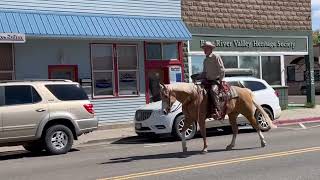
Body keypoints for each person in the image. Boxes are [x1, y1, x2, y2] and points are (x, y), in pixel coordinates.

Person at [198, 41, 225, 119]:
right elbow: (204, 73)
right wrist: (197, 77)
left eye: (206, 48)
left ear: (210, 49)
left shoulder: (216, 57)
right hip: (207, 81)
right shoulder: (205, 60)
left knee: (213, 91)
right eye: (204, 49)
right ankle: (205, 110)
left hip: (215, 81)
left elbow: (222, 69)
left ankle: (218, 110)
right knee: (199, 91)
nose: (204, 50)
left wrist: (221, 80)